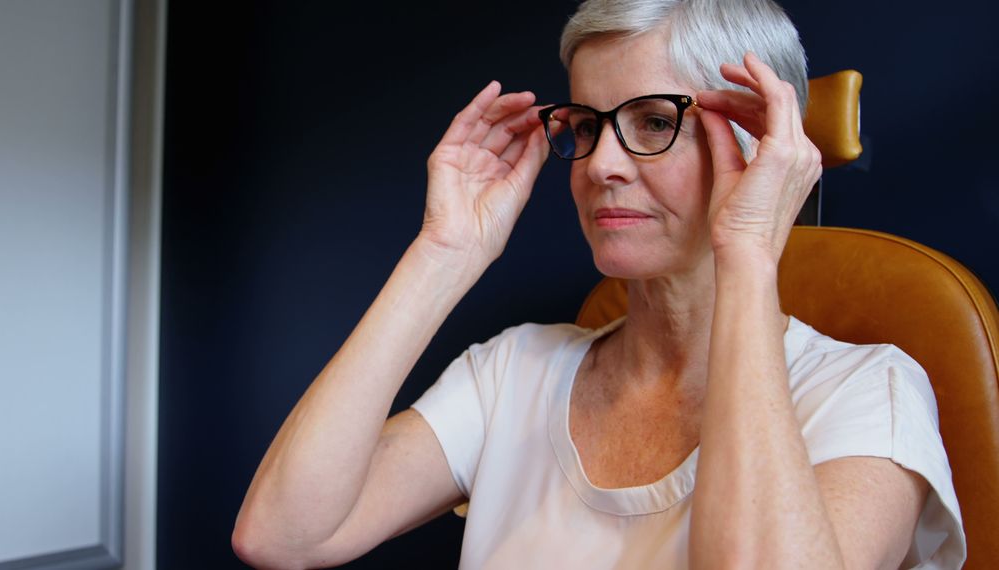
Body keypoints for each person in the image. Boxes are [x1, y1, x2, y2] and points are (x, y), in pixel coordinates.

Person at [232, 0, 966, 567]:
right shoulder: (511, 373)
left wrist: (747, 253)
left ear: (756, 140)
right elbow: (282, 536)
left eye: (652, 121)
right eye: (585, 125)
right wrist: (443, 254)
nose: (600, 164)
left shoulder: (871, 393)